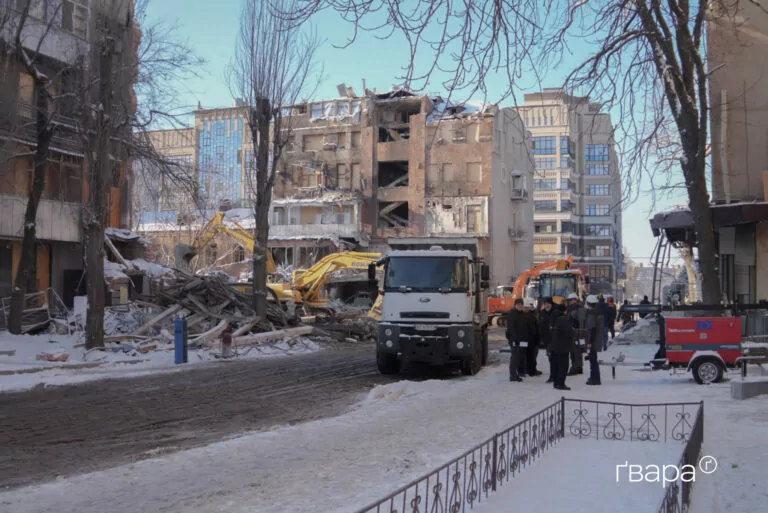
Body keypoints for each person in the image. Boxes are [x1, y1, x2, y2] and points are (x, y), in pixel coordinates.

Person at [549, 301, 574, 390]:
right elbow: (569, 332)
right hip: (563, 346)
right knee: (563, 366)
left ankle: (556, 383)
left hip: (554, 345)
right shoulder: (563, 319)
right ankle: (560, 383)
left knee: (556, 365)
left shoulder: (553, 317)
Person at [505, 298, 528, 382]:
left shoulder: (523, 314)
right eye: (518, 304)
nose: (519, 306)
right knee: (514, 358)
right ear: (515, 305)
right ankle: (513, 375)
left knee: (520, 357)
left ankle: (518, 373)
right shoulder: (512, 314)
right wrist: (514, 339)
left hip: (523, 340)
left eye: (521, 304)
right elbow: (511, 328)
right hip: (515, 340)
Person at [585, 294, 605, 385]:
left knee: (592, 361)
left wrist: (589, 342)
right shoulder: (598, 313)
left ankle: (595, 379)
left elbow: (591, 329)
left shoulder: (591, 314)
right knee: (594, 360)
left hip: (592, 341)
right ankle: (595, 377)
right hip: (596, 340)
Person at [519, 298, 542, 376]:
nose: (529, 307)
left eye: (531, 305)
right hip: (524, 339)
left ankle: (532, 369)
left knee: (532, 355)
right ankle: (525, 370)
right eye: (528, 306)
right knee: (524, 355)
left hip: (532, 338)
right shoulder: (521, 315)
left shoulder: (534, 314)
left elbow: (536, 327)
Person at [566, 293, 585, 375]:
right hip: (578, 333)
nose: (571, 302)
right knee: (577, 351)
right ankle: (579, 367)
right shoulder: (578, 308)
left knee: (575, 351)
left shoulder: (574, 309)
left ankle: (575, 367)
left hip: (575, 333)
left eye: (572, 300)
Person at [538, 297, 554, 383]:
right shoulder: (542, 313)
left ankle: (555, 375)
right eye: (545, 304)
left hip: (555, 339)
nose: (546, 305)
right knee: (550, 357)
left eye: (548, 303)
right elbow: (540, 325)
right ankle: (552, 375)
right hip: (547, 339)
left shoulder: (555, 313)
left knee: (555, 358)